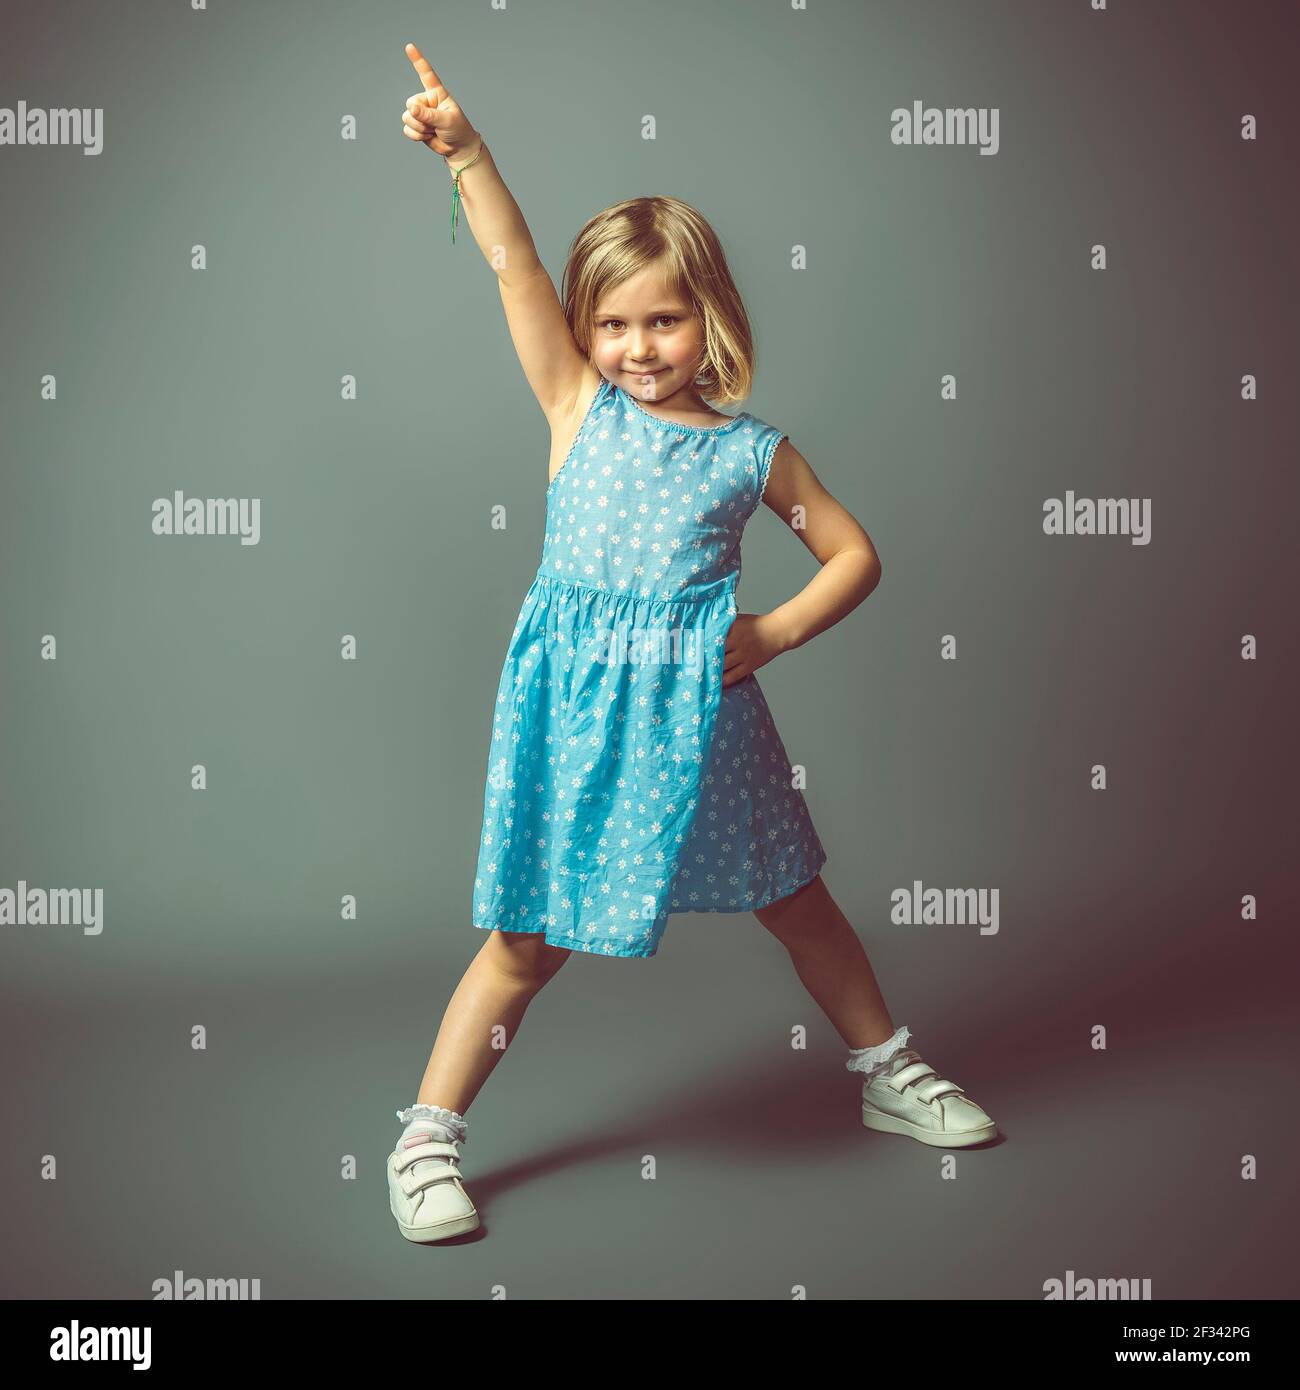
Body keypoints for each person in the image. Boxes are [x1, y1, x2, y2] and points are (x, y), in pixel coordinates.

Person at [387, 42, 997, 1245]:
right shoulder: (576, 406)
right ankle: (423, 1139)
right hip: (577, 709)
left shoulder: (749, 450)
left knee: (799, 903)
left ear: (706, 314)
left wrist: (767, 632)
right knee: (524, 940)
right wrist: (468, 153)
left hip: (705, 714)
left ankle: (889, 1071)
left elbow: (856, 554)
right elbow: (510, 260)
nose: (637, 345)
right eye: (611, 322)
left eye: (662, 318)